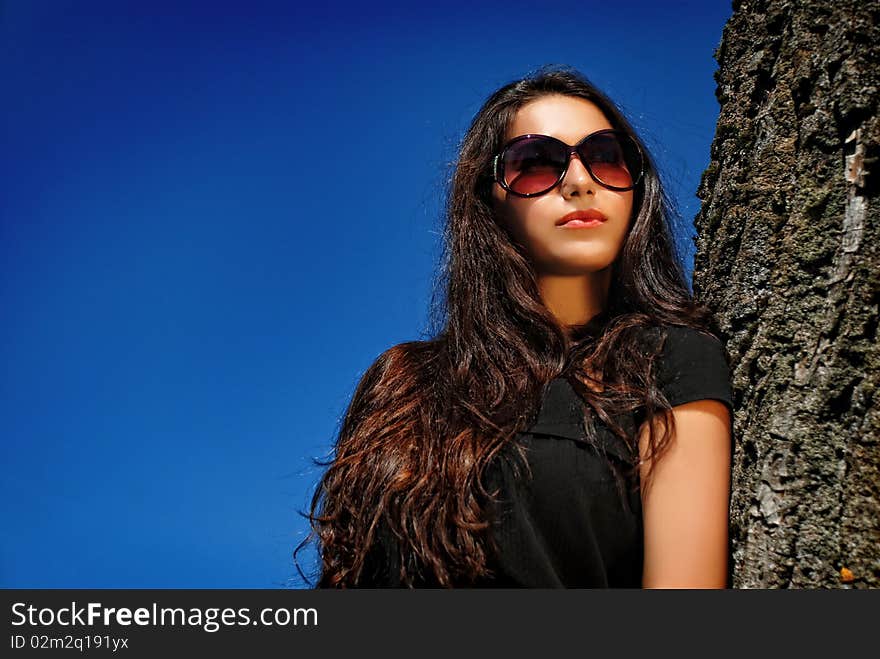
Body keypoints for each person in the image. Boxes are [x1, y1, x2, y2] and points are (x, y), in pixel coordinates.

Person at [298, 65, 734, 588]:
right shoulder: (403, 382)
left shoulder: (670, 361)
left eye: (605, 158)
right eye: (536, 164)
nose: (578, 182)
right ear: (489, 201)